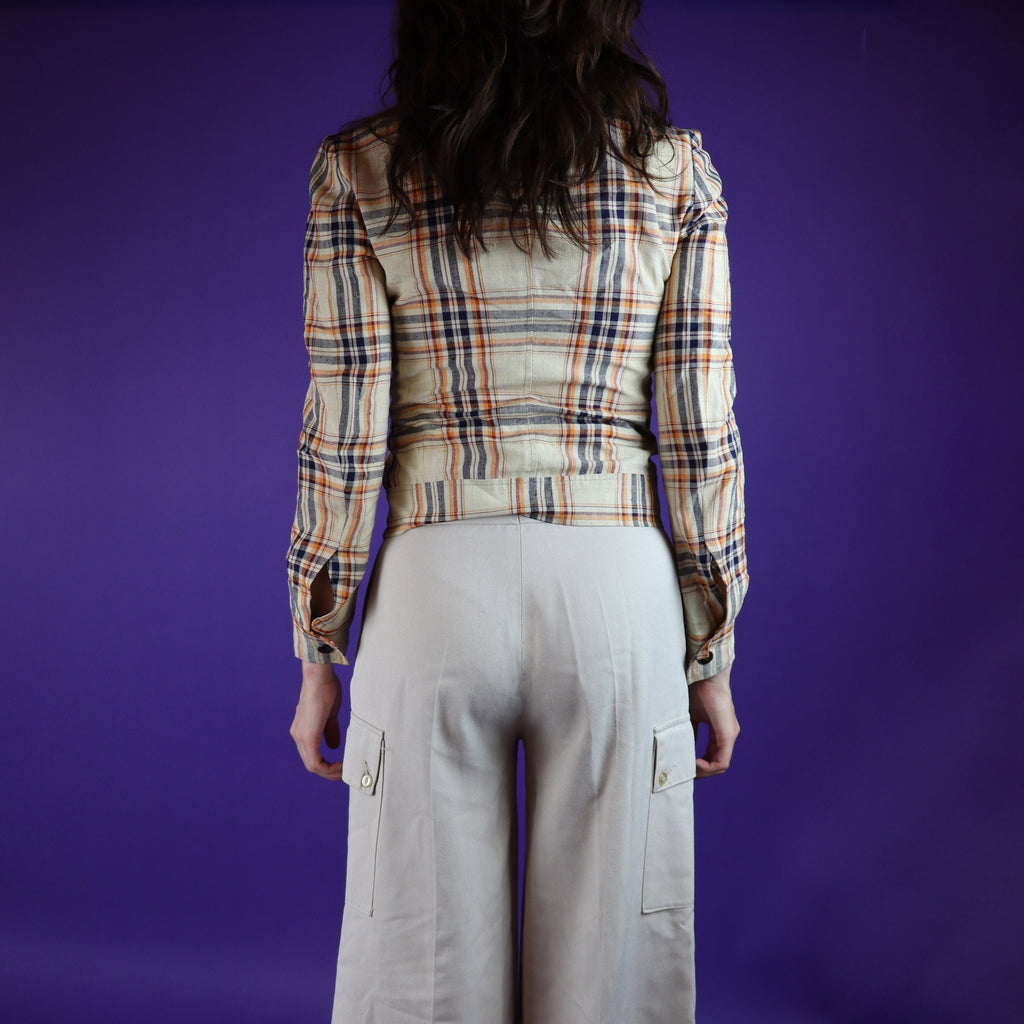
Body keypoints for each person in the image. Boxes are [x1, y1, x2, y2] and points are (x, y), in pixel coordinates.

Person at [286, 1, 748, 1020]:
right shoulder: (671, 174)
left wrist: (319, 645)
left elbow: (346, 432)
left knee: (421, 969)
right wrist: (709, 652)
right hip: (615, 588)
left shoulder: (361, 169)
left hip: (433, 588)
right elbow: (701, 429)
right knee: (611, 978)